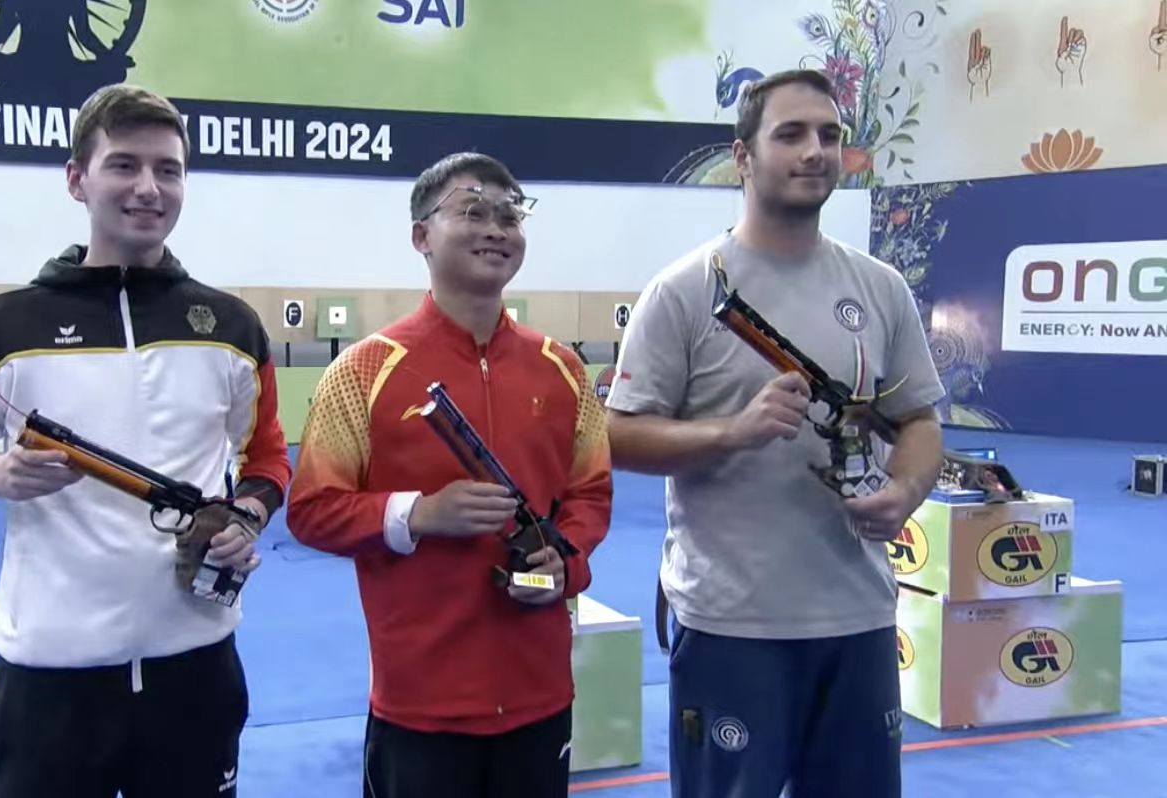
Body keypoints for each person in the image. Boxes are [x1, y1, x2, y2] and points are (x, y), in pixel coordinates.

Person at [0, 83, 291, 798]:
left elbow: (266, 459)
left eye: (168, 170)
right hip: (49, 674)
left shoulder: (232, 326)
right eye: (124, 165)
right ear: (78, 180)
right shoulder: (1, 328)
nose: (148, 187)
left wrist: (247, 518)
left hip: (197, 662)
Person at [604, 69, 946, 798]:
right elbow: (614, 438)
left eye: (829, 135)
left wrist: (906, 490)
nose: (814, 151)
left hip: (858, 615)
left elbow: (918, 420)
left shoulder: (880, 288)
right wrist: (732, 432)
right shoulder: (686, 290)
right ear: (743, 156)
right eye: (789, 134)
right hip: (733, 625)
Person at [286, 152, 613, 798]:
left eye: (509, 215)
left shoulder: (564, 371)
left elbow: (590, 494)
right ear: (421, 236)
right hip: (420, 705)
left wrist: (563, 565)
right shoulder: (361, 372)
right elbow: (312, 508)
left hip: (540, 693)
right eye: (473, 211)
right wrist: (417, 515)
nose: (496, 227)